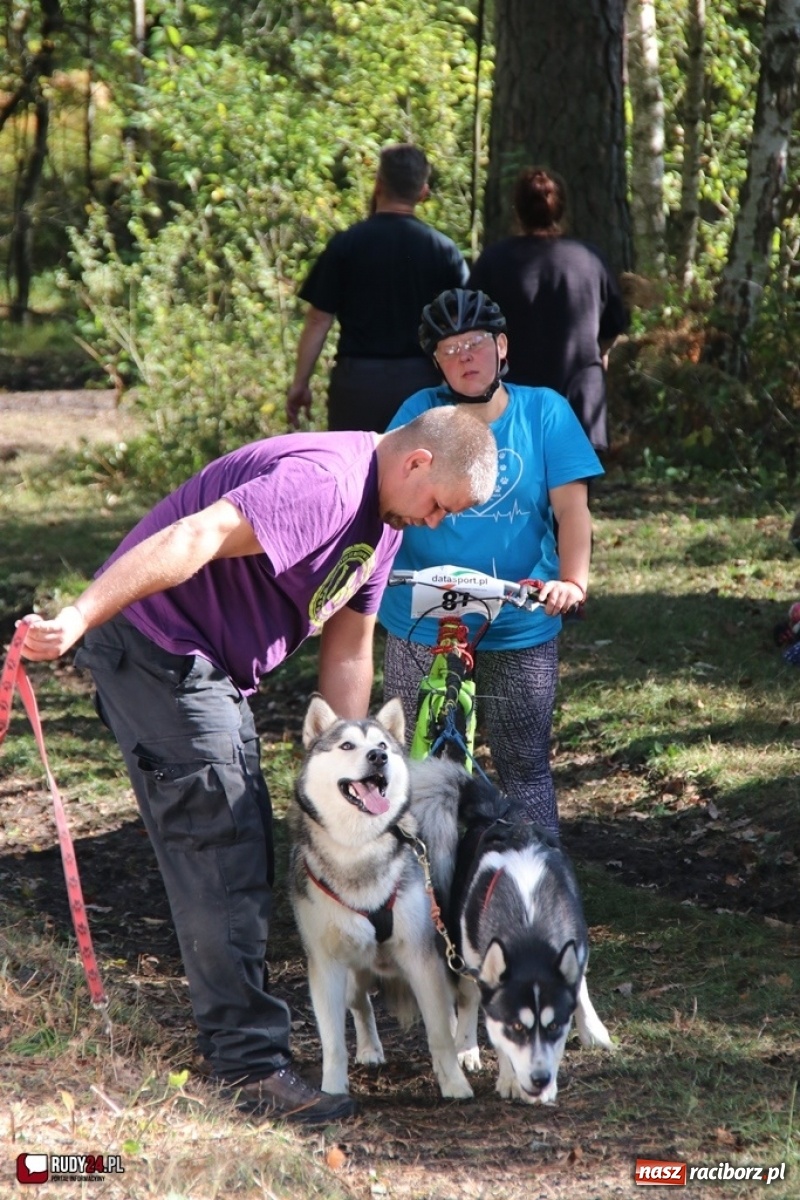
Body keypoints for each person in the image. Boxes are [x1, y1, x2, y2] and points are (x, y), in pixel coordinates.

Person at [19, 406, 498, 1125]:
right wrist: (80, 617)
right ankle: (248, 1068)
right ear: (417, 464)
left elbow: (349, 648)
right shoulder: (328, 485)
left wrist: (350, 771)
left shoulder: (383, 521)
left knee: (241, 839)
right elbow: (194, 534)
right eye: (438, 506)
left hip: (204, 664)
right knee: (225, 843)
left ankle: (245, 1045)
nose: (435, 522)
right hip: (159, 649)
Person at [378, 288, 603, 837]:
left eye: (475, 343)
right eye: (449, 349)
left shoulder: (544, 410)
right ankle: (419, 886)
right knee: (418, 759)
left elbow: (572, 510)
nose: (465, 357)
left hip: (518, 614)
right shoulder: (419, 414)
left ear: (501, 346)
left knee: (523, 764)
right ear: (436, 362)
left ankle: (540, 885)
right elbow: (384, 495)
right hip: (422, 613)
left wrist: (572, 580)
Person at [286, 143, 468, 434]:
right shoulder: (443, 250)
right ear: (423, 191)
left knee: (357, 473)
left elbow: (319, 319)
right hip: (421, 384)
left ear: (378, 184)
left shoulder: (345, 245)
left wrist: (300, 384)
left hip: (357, 385)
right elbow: (463, 322)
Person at [467, 166, 629, 455]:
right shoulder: (589, 260)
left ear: (517, 210)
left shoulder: (493, 261)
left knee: (514, 495)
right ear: (562, 209)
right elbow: (614, 324)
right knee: (574, 498)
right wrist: (601, 352)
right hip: (577, 401)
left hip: (511, 405)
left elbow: (467, 326)